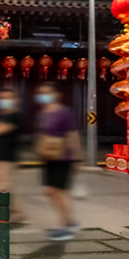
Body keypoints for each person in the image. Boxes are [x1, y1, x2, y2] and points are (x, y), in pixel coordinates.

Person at [34, 82, 82, 241]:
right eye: (42, 92)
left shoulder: (64, 113)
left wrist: (76, 159)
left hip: (63, 158)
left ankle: (65, 227)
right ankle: (70, 221)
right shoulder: (44, 113)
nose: (43, 96)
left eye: (47, 92)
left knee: (58, 192)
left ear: (56, 95)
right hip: (49, 157)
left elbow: (73, 136)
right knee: (49, 191)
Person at [0, 88, 25, 223]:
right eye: (2, 98)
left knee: (5, 187)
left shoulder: (16, 115)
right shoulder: (0, 115)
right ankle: (16, 213)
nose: (4, 101)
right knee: (0, 187)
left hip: (8, 157)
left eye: (7, 98)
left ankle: (13, 214)